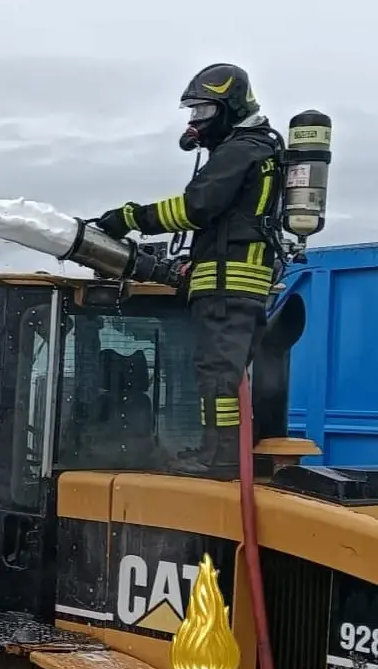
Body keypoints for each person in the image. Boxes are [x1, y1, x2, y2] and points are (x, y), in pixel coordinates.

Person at [92, 63, 282, 479]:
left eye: (203, 113)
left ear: (229, 107)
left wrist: (130, 216)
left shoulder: (241, 150)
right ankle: (219, 452)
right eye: (192, 114)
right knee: (218, 374)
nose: (196, 123)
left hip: (226, 285)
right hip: (233, 282)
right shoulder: (255, 148)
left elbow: (195, 207)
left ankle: (221, 459)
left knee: (217, 375)